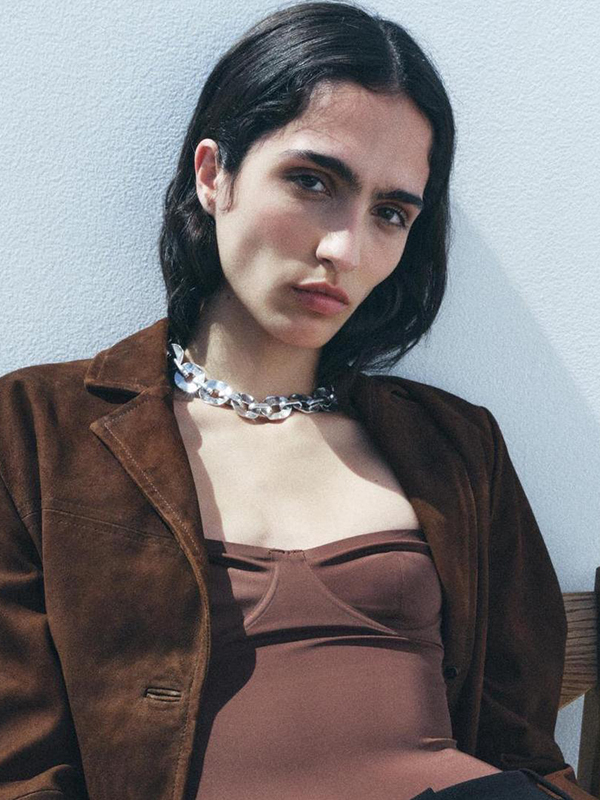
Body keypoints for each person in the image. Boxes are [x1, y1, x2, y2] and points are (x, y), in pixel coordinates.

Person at [0, 3, 593, 799]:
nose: (345, 248)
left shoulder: (456, 446)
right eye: (312, 181)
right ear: (213, 175)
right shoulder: (37, 430)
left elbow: (519, 745)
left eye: (390, 213)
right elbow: (20, 768)